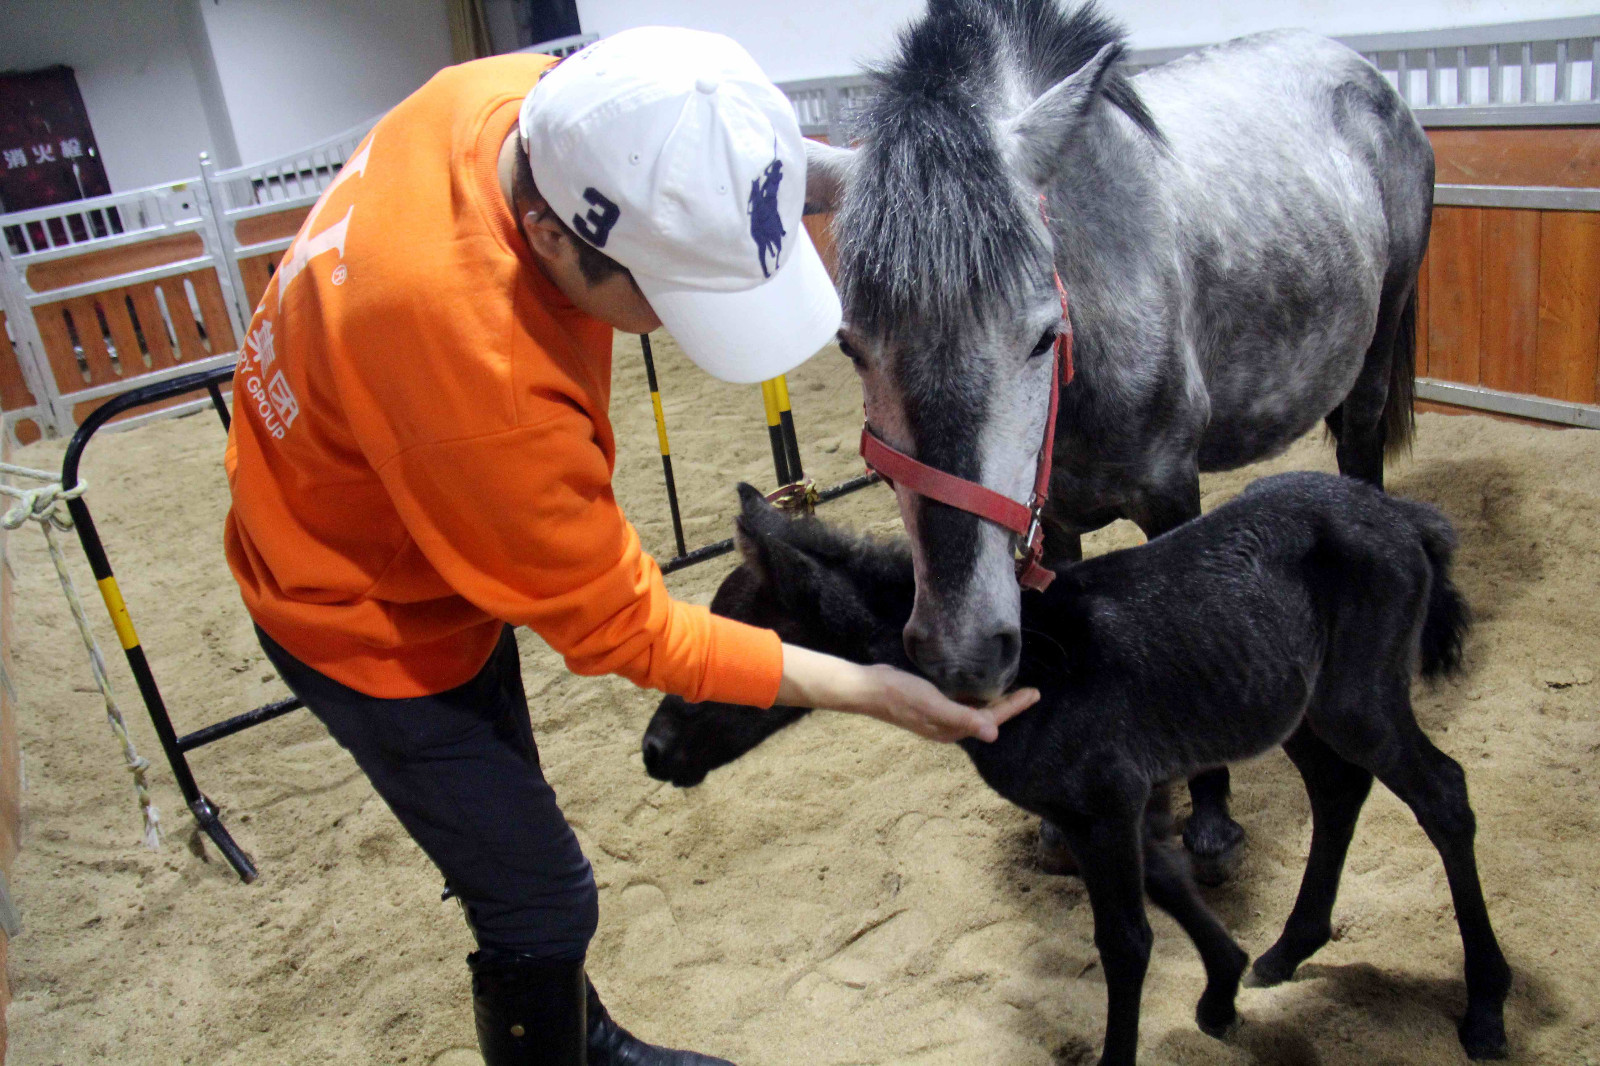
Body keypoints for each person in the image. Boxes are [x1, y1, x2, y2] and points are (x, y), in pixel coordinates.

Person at [222, 26, 1037, 1066]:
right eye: (664, 296)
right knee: (543, 895)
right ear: (551, 239)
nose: (671, 324)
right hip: (355, 603)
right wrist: (874, 690)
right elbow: (625, 632)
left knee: (512, 838)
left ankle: (578, 1028)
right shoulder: (484, 380)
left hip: (379, 492)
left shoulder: (524, 104)